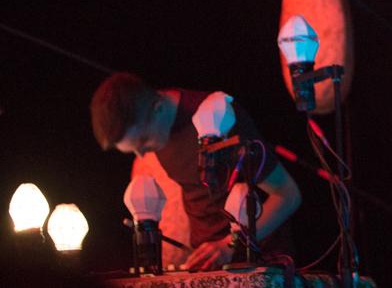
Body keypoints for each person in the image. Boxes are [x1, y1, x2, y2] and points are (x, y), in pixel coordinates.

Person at [90, 72, 302, 271]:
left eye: (143, 141)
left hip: (257, 262)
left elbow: (288, 195)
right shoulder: (156, 125)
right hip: (211, 262)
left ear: (158, 107)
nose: (142, 154)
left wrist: (229, 244)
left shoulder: (216, 116)